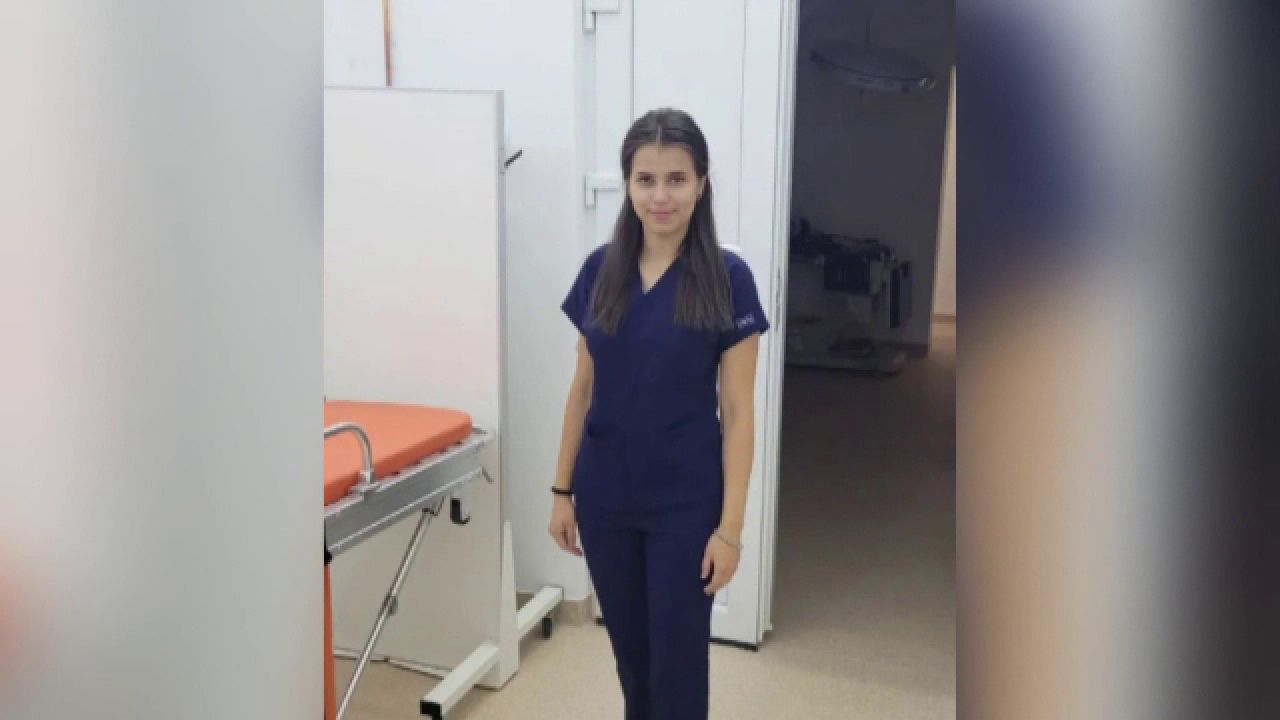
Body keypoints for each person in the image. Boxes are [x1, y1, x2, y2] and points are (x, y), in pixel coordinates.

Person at [549, 108, 768, 720]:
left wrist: (730, 530)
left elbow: (738, 412)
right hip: (606, 496)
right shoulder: (601, 270)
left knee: (677, 669)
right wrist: (562, 490)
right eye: (646, 179)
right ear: (627, 184)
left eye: (676, 179)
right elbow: (582, 388)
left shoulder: (728, 278)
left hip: (685, 504)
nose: (660, 196)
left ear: (701, 183)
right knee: (633, 663)